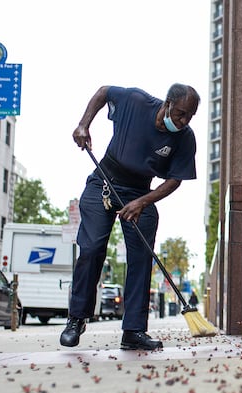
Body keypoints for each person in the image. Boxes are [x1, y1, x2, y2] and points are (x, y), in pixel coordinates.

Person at [60, 84, 200, 351]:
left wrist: (142, 202)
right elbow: (102, 92)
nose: (183, 121)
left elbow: (175, 180)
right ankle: (76, 319)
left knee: (140, 256)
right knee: (91, 248)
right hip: (104, 181)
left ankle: (134, 331)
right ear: (167, 103)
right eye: (181, 113)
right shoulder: (135, 101)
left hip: (140, 191)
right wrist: (83, 125)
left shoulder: (185, 137)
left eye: (190, 116)